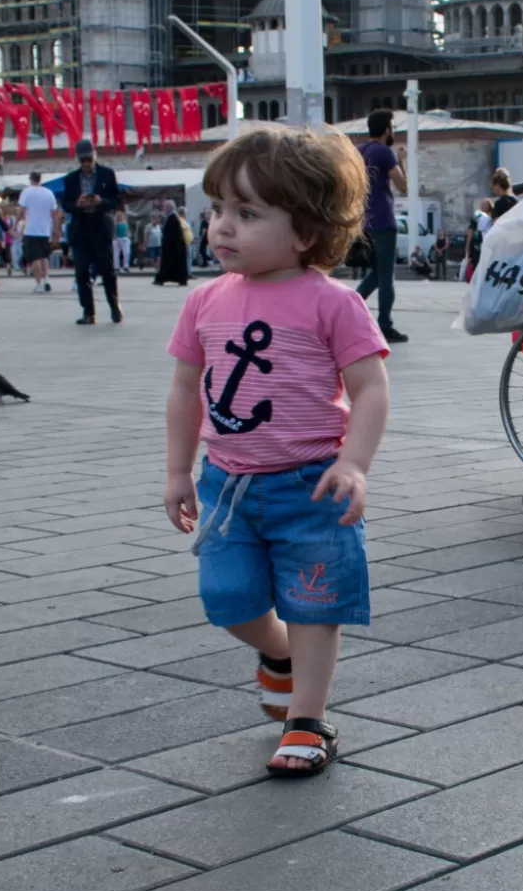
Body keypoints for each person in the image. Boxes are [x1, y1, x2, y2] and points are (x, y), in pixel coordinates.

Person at [163, 124, 390, 777]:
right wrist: (179, 470)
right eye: (218, 210)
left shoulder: (334, 304)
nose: (222, 227)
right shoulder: (205, 301)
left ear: (307, 231)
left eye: (247, 213)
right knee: (228, 599)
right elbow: (185, 390)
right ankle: (280, 654)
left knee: (317, 601)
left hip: (311, 486)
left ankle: (308, 720)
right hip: (227, 485)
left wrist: (354, 462)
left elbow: (370, 388)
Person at [356, 108, 409, 344]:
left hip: (363, 222)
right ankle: (385, 324)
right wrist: (401, 161)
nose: (393, 132)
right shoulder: (384, 152)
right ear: (386, 129)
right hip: (384, 222)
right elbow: (403, 186)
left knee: (376, 275)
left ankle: (349, 307)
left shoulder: (358, 152)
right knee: (386, 276)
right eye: (393, 128)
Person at [61, 138, 123, 325]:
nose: (86, 164)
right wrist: (76, 204)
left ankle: (114, 306)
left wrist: (100, 201)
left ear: (95, 156)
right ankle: (88, 311)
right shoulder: (71, 179)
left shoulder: (106, 174)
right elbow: (65, 203)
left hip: (100, 227)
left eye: (89, 159)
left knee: (107, 269)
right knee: (81, 271)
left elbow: (117, 201)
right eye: (82, 160)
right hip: (81, 229)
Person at [18, 171, 58, 294]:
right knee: (44, 256)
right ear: (40, 179)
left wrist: (15, 223)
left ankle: (39, 284)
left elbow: (22, 210)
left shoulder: (27, 192)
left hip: (32, 229)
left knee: (34, 258)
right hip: (45, 230)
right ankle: (47, 279)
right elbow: (54, 212)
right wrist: (55, 228)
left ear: (31, 180)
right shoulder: (48, 192)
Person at [154, 206, 190, 286]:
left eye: (166, 207)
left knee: (169, 264)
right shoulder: (174, 218)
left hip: (172, 248)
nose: (164, 209)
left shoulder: (172, 218)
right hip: (175, 247)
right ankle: (181, 279)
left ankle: (162, 278)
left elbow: (171, 235)